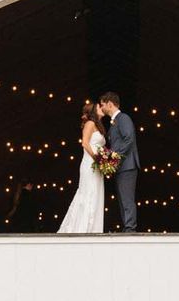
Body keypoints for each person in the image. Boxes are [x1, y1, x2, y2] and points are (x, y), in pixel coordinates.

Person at [55, 100, 107, 234]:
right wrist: (96, 158)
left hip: (97, 164)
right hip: (90, 163)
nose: (101, 108)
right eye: (98, 107)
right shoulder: (90, 124)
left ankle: (94, 228)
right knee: (88, 192)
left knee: (96, 192)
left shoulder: (99, 125)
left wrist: (105, 159)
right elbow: (84, 143)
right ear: (93, 112)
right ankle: (83, 228)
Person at [98, 91, 140, 232]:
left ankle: (130, 228)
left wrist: (114, 157)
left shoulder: (123, 118)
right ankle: (127, 227)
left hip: (127, 165)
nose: (102, 107)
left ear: (110, 104)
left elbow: (129, 138)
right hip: (121, 166)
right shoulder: (115, 122)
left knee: (127, 198)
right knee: (123, 198)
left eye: (102, 105)